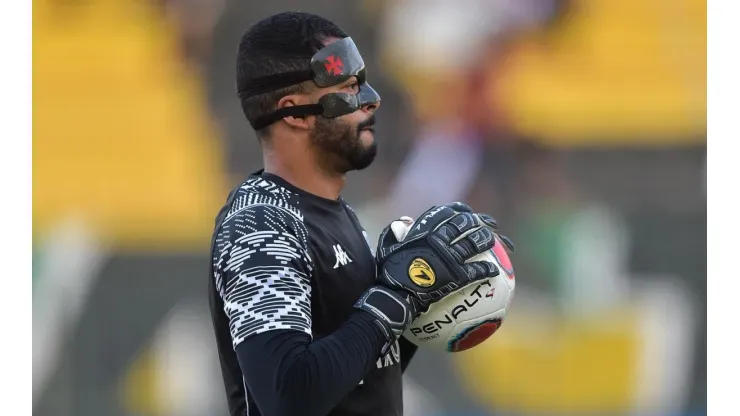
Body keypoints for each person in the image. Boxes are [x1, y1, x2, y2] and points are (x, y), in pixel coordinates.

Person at [208, 11, 509, 416]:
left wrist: (420, 300)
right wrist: (395, 297)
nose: (371, 99)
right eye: (348, 89)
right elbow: (287, 396)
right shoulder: (262, 224)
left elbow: (353, 382)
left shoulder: (335, 213)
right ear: (294, 113)